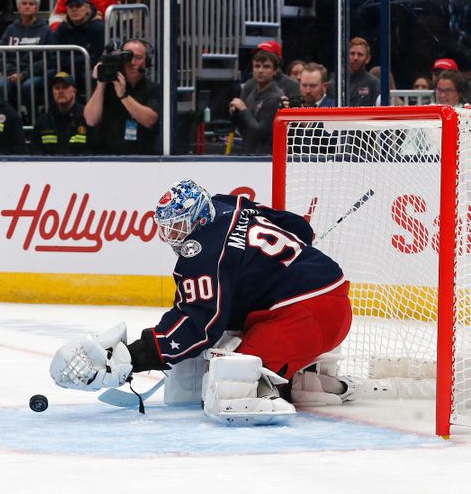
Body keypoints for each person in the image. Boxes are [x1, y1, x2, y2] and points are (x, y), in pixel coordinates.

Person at [50, 179, 355, 426]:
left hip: (308, 315)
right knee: (229, 343)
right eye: (167, 227)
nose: (173, 236)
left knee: (231, 385)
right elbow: (299, 228)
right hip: (326, 296)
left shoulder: (202, 252)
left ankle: (288, 384)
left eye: (179, 226)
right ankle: (303, 378)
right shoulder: (228, 203)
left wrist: (134, 357)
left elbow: (198, 325)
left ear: (197, 217)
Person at [83, 38, 159, 154]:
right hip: (106, 156)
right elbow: (91, 120)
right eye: (127, 57)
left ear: (147, 61)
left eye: (138, 58)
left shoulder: (153, 88)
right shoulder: (107, 85)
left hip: (142, 157)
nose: (132, 62)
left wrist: (123, 96)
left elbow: (150, 120)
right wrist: (101, 84)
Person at [0, 0, 51, 118]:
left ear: (37, 7)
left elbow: (48, 59)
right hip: (13, 74)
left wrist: (24, 74)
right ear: (18, 7)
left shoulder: (45, 30)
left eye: (31, 4)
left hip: (34, 74)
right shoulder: (10, 29)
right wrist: (11, 73)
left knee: (28, 86)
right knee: (0, 85)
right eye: (24, 3)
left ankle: (31, 117)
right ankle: (11, 118)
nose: (27, 6)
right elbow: (1, 55)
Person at [229, 48, 283, 154]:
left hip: (265, 159)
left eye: (266, 67)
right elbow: (243, 129)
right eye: (257, 66)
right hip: (248, 153)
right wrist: (235, 113)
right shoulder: (252, 93)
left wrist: (243, 109)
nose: (260, 70)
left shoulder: (276, 97)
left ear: (275, 71)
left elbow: (260, 133)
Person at [49, 0, 104, 90]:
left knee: (89, 75)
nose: (74, 9)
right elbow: (54, 57)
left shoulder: (98, 27)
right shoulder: (62, 27)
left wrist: (70, 61)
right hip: (67, 70)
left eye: (78, 5)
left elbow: (96, 59)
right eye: (70, 6)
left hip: (89, 70)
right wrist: (82, 58)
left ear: (87, 8)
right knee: (50, 75)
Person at [32, 71, 94, 154]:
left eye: (65, 87)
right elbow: (34, 152)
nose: (60, 91)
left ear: (74, 91)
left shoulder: (87, 118)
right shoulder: (43, 121)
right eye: (57, 88)